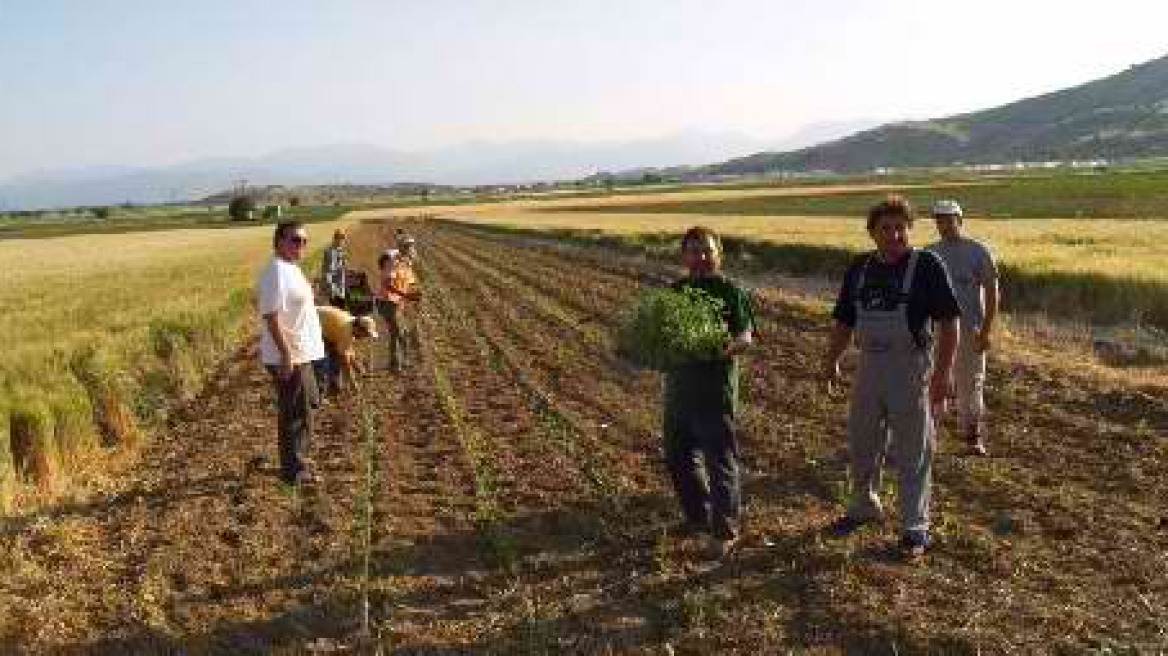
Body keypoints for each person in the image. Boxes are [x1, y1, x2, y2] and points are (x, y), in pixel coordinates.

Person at [822, 196, 960, 559]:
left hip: (910, 368)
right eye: (886, 228)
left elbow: (949, 323)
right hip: (869, 365)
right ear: (872, 233)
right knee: (863, 440)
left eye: (901, 227)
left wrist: (943, 374)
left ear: (909, 230)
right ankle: (863, 505)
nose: (895, 235)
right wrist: (831, 359)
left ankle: (915, 528)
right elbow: (844, 320)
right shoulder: (860, 268)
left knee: (914, 449)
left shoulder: (926, 265)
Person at [663, 226, 755, 560]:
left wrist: (723, 348)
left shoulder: (730, 291)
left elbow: (746, 337)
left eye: (708, 251)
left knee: (720, 462)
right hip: (678, 391)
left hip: (715, 391)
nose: (701, 257)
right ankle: (699, 516)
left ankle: (725, 530)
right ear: (683, 256)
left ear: (719, 255)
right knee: (679, 458)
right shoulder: (675, 291)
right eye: (694, 251)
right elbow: (661, 334)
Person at [927, 200, 999, 456]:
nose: (944, 225)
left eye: (949, 220)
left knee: (971, 383)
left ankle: (972, 437)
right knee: (933, 379)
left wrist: (986, 331)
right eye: (940, 220)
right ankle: (929, 434)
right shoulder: (928, 254)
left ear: (960, 220)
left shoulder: (978, 251)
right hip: (935, 330)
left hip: (970, 330)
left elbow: (992, 292)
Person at [257, 221, 325, 486]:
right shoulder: (275, 270)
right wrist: (286, 355)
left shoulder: (291, 268)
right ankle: (294, 469)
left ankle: (298, 460)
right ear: (279, 241)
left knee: (308, 403)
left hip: (302, 352)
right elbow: (271, 316)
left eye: (304, 241)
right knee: (294, 412)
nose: (301, 245)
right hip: (288, 355)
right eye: (296, 240)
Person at [316, 306, 379, 396]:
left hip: (322, 323)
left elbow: (348, 351)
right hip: (312, 324)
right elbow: (344, 361)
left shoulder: (351, 323)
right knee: (327, 360)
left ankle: (333, 387)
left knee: (335, 354)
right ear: (358, 328)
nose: (365, 337)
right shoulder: (346, 331)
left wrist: (358, 368)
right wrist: (353, 383)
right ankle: (326, 390)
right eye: (365, 334)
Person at [377, 243, 420, 372]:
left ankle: (397, 362)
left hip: (397, 303)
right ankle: (398, 363)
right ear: (404, 249)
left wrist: (413, 296)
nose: (413, 251)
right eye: (410, 249)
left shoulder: (406, 263)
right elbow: (387, 284)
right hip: (387, 302)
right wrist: (406, 295)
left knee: (399, 332)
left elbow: (410, 283)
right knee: (398, 332)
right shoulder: (393, 262)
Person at [321, 229, 348, 309]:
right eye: (341, 238)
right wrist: (332, 288)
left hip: (340, 288)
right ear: (336, 239)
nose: (342, 241)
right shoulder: (331, 252)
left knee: (342, 310)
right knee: (338, 310)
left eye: (343, 239)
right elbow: (328, 272)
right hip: (335, 289)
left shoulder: (340, 250)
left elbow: (342, 267)